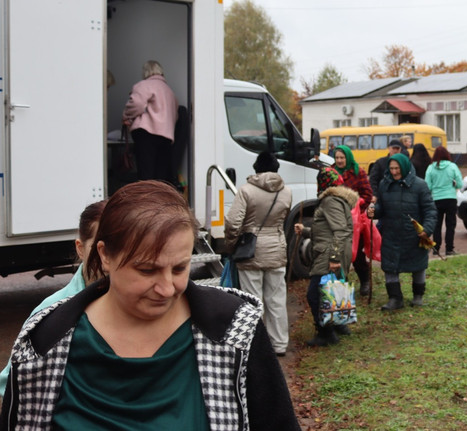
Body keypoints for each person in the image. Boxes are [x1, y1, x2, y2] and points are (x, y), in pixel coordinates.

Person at [0, 181, 300, 430]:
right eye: (147, 270)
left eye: (180, 268)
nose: (167, 288)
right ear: (105, 256)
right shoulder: (44, 340)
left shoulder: (236, 331)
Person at [0, 200, 106, 390]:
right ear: (80, 249)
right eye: (101, 247)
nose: (109, 258)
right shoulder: (50, 312)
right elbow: (10, 383)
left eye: (120, 246)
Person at [225, 151, 292, 356]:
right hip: (277, 250)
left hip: (250, 251)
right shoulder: (286, 192)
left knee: (253, 301)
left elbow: (233, 222)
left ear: (256, 168)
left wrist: (231, 245)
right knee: (277, 300)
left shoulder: (246, 191)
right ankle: (279, 344)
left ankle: (255, 346)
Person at [294, 167, 359, 346]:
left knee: (315, 294)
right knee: (335, 287)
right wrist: (306, 231)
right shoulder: (337, 200)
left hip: (329, 252)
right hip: (332, 249)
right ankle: (339, 325)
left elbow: (340, 230)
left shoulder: (330, 201)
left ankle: (326, 333)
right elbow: (327, 229)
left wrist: (334, 258)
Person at [367, 153, 437, 310]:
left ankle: (418, 296)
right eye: (391, 168)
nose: (394, 172)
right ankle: (395, 299)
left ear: (404, 167)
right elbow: (381, 209)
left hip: (413, 235)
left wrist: (427, 229)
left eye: (397, 168)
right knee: (390, 266)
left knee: (418, 266)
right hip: (391, 234)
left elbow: (430, 210)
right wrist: (373, 211)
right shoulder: (384, 185)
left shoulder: (420, 185)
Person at [122, 60, 178, 183]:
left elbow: (136, 103)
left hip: (147, 133)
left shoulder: (144, 85)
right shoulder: (169, 91)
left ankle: (145, 200)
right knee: (160, 175)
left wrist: (126, 116)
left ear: (146, 72)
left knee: (145, 173)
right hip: (166, 136)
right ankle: (158, 200)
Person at [332, 145, 373, 296]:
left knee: (357, 254)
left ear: (348, 157)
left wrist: (357, 206)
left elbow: (368, 194)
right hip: (336, 220)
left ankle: (365, 281)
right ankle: (341, 286)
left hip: (356, 222)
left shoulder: (358, 172)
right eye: (337, 158)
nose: (339, 161)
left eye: (342, 158)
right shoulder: (332, 172)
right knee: (338, 254)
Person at [425, 146, 463, 256]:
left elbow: (428, 186)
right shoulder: (452, 166)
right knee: (450, 225)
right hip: (450, 198)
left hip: (436, 199)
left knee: (437, 225)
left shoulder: (431, 168)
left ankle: (436, 248)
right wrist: (454, 184)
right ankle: (449, 249)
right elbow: (460, 184)